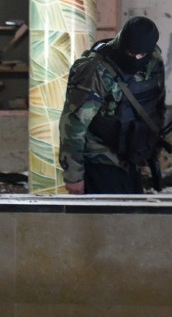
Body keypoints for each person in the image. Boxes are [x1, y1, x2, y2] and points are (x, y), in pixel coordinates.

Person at [59, 16, 165, 195]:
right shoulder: (94, 70)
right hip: (99, 161)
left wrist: (150, 148)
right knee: (105, 220)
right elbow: (73, 125)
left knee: (132, 218)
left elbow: (155, 105)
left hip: (131, 159)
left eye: (141, 55)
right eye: (131, 53)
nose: (136, 58)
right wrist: (74, 176)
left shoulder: (153, 58)